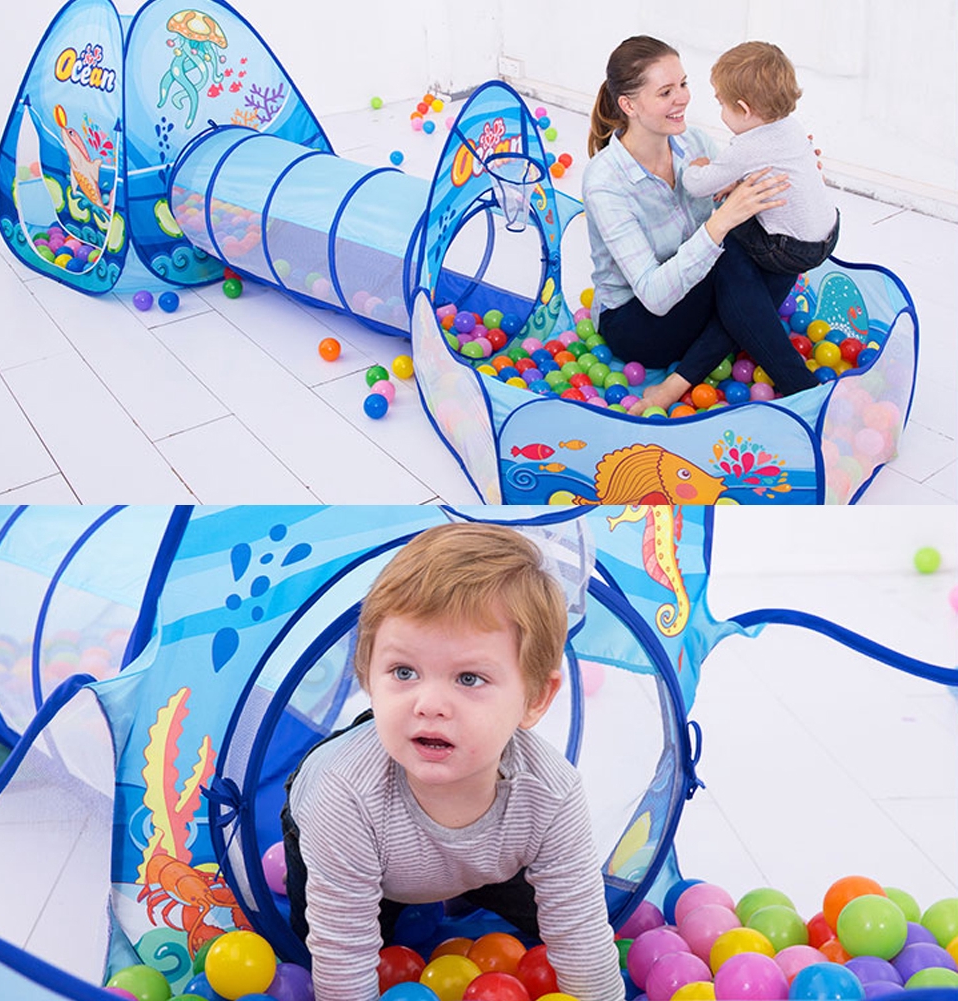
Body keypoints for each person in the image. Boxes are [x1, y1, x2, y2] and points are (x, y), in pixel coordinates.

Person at [280, 522, 624, 1001]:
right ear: (367, 673)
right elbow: (344, 958)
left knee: (561, 921)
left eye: (468, 678)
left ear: (535, 699)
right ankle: (416, 890)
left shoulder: (551, 792)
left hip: (485, 857)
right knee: (319, 945)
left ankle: (456, 884)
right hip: (351, 830)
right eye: (404, 672)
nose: (430, 703)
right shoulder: (344, 794)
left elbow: (580, 932)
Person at [582, 35, 820, 416]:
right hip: (639, 323)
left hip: (697, 293)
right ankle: (803, 388)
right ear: (629, 105)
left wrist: (785, 172)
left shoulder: (693, 143)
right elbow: (655, 296)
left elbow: (738, 186)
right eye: (665, 92)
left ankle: (678, 382)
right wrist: (723, 221)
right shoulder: (605, 182)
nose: (683, 98)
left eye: (683, 84)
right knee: (734, 250)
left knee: (779, 250)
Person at [682, 41, 839, 276]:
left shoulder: (746, 147)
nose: (721, 111)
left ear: (744, 110)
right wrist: (736, 182)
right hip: (830, 233)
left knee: (727, 214)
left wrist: (695, 167)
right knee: (744, 195)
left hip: (788, 251)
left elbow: (697, 186)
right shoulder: (792, 126)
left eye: (721, 103)